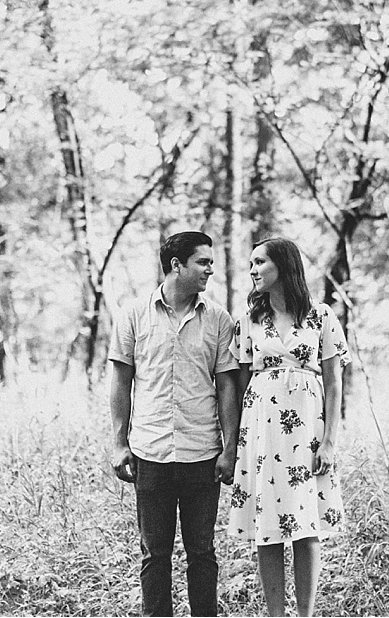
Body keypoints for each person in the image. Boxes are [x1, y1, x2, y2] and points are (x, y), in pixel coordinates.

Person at [109, 231, 241, 617]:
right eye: (202, 262)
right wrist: (119, 443)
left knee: (202, 553)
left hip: (202, 454)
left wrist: (229, 449)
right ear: (176, 265)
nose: (210, 270)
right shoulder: (133, 314)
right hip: (151, 452)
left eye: (211, 263)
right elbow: (121, 381)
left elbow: (226, 389)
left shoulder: (218, 318)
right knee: (154, 554)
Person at [227, 237, 350, 617]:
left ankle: (306, 614)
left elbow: (333, 382)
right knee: (268, 524)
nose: (252, 270)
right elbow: (237, 379)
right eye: (250, 263)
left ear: (283, 265)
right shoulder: (248, 321)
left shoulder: (321, 316)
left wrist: (329, 441)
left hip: (306, 427)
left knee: (304, 523)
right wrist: (232, 444)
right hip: (262, 428)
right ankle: (275, 615)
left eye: (259, 262)